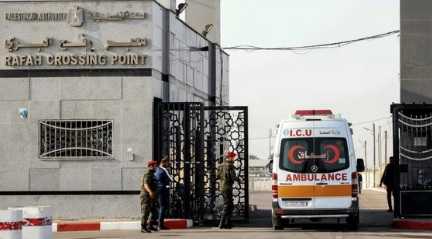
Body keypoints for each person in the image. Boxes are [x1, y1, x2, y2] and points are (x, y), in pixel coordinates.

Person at [217, 151, 237, 229]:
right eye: (232, 157)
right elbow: (232, 177)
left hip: (222, 187)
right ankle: (221, 224)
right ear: (229, 158)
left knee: (230, 205)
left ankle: (228, 223)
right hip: (227, 187)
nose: (233, 158)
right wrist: (237, 179)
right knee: (227, 205)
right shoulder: (230, 165)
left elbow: (217, 176)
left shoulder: (220, 165)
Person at [140, 160, 159, 233]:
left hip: (152, 196)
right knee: (145, 211)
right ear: (151, 166)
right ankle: (143, 227)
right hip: (146, 196)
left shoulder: (152, 174)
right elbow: (146, 184)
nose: (156, 167)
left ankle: (150, 225)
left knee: (154, 211)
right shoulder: (147, 174)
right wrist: (150, 192)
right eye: (155, 166)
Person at [155, 157, 173, 230]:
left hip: (161, 190)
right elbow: (170, 179)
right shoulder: (162, 170)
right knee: (162, 207)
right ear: (164, 162)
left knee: (162, 207)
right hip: (162, 191)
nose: (169, 164)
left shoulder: (160, 169)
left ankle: (159, 224)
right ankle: (160, 224)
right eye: (168, 162)